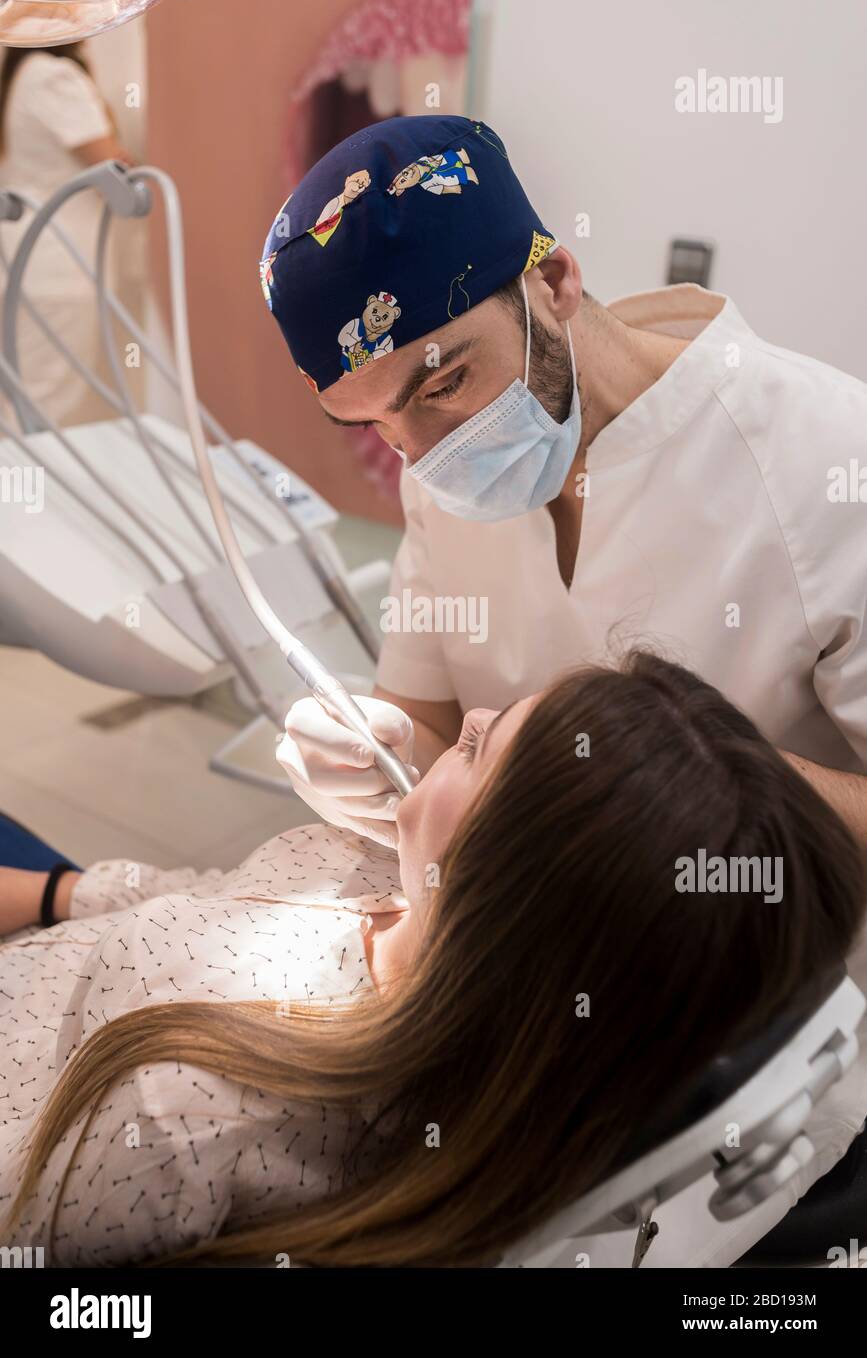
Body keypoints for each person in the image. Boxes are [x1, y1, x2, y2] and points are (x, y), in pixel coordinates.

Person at [2, 653, 865, 1267]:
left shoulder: (183, 1108)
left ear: (503, 897)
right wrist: (52, 894)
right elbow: (202, 900)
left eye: (478, 749)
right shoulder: (391, 877)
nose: (472, 716)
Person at [259, 114, 867, 863]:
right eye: (373, 425)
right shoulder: (438, 474)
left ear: (552, 282)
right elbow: (430, 722)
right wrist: (366, 755)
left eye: (445, 383)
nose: (423, 455)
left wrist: (675, 787)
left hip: (772, 960)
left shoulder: (830, 461)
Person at [0, 43, 133, 427]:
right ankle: (25, 488)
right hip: (59, 268)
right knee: (43, 406)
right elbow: (116, 175)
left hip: (27, 263)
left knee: (24, 401)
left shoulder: (21, 75)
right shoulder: (53, 76)